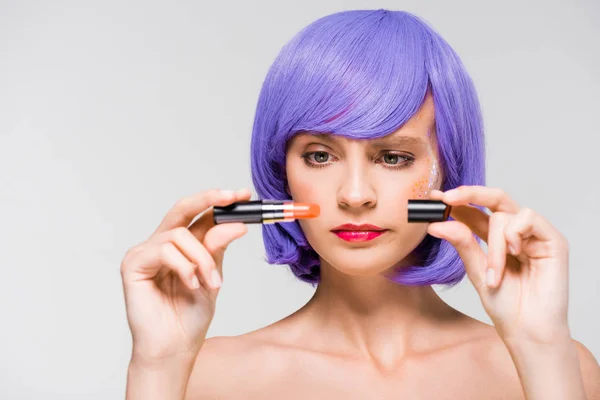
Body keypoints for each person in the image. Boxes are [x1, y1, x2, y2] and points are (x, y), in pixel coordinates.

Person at [120, 9, 600, 399]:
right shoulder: (204, 378)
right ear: (282, 172)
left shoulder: (560, 365)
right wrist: (157, 367)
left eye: (393, 157)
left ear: (448, 170)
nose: (354, 195)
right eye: (320, 155)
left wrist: (540, 353)